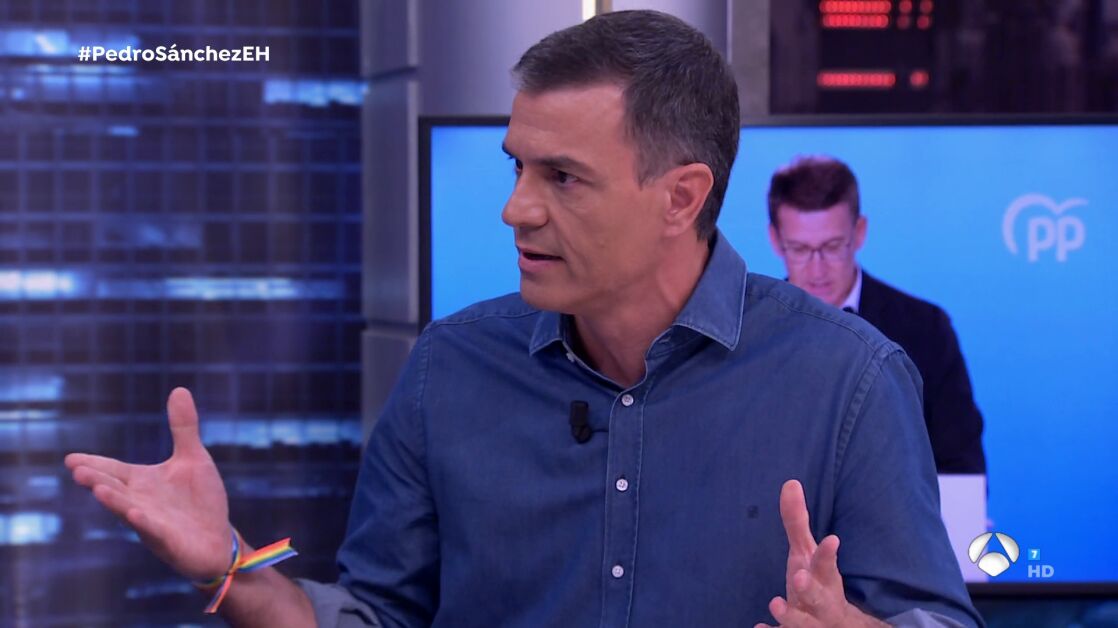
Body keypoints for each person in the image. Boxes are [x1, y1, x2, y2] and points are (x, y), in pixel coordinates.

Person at [65, 11, 983, 628]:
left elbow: (934, 615)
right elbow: (377, 616)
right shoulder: (451, 368)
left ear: (681, 197)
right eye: (517, 167)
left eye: (563, 178)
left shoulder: (849, 380)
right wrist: (229, 570)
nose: (516, 210)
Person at [766, 156, 986, 474]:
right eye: (800, 249)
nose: (817, 269)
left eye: (832, 246)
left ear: (859, 232)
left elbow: (960, 464)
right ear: (775, 241)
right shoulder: (750, 333)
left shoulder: (926, 330)